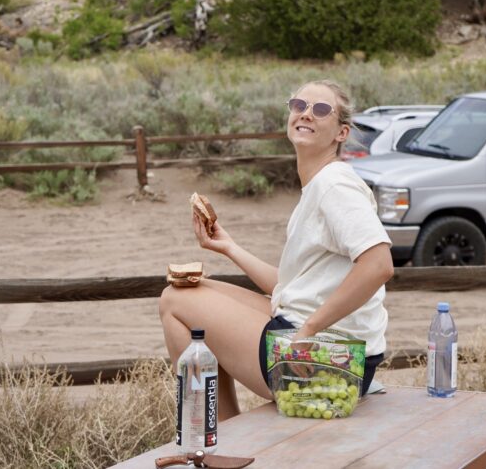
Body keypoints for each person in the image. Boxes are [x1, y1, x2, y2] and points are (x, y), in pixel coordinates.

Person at [159, 80, 394, 422]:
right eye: (299, 105)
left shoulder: (335, 185)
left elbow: (378, 265)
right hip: (332, 352)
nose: (306, 114)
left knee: (174, 301)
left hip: (329, 363)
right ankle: (221, 434)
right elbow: (291, 288)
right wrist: (229, 248)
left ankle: (215, 438)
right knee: (192, 290)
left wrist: (308, 330)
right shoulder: (319, 186)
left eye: (321, 109)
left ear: (341, 133)